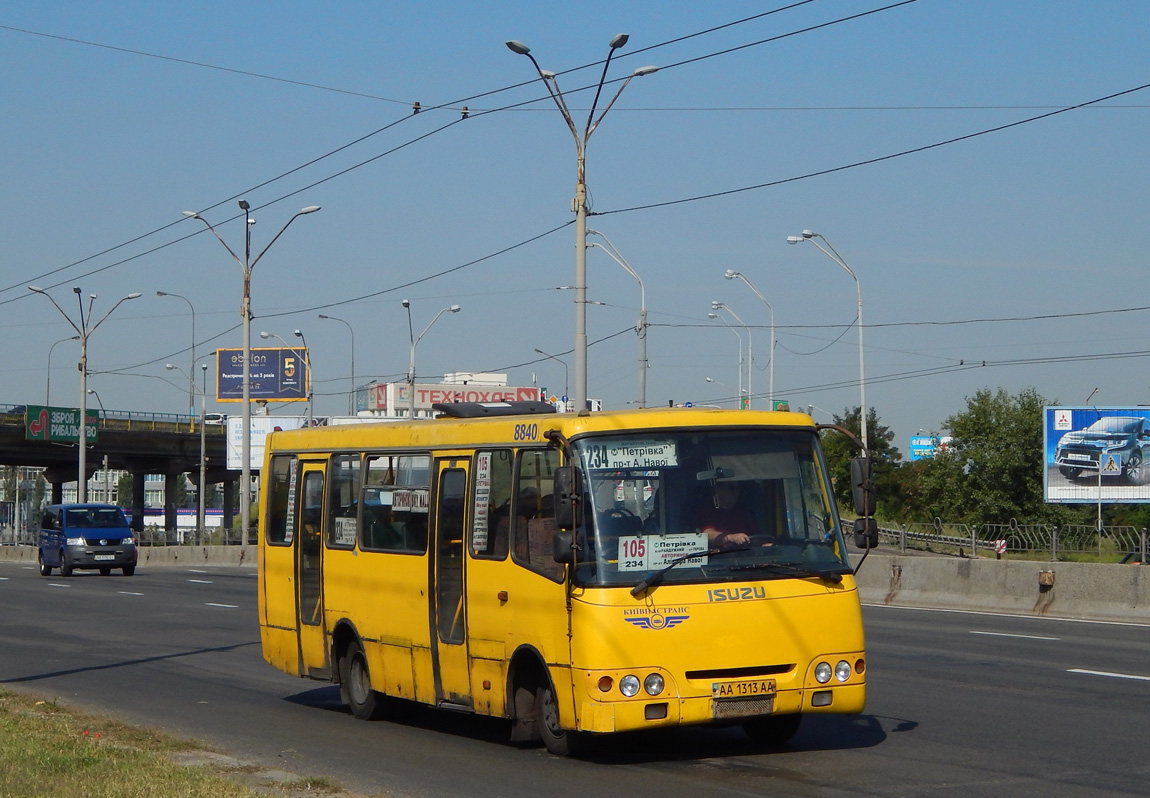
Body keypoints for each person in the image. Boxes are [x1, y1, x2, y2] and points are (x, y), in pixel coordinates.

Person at [693, 481, 755, 549]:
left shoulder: (743, 513)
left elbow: (754, 536)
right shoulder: (706, 512)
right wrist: (730, 537)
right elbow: (707, 534)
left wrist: (763, 544)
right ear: (718, 490)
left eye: (738, 489)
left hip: (747, 555)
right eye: (731, 488)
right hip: (719, 557)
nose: (735, 493)